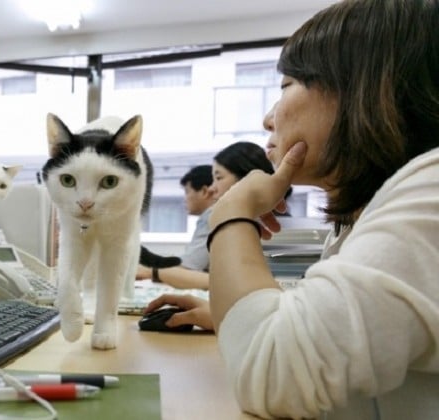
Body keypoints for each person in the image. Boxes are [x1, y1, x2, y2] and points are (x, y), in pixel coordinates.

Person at [147, 0, 439, 418]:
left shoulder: (433, 190)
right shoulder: (363, 220)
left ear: (362, 86)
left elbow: (270, 376)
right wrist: (233, 316)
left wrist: (233, 213)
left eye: (285, 86)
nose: (269, 119)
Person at [139, 141, 274, 289]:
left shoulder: (223, 217)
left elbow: (193, 270)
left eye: (219, 178)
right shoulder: (259, 217)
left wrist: (151, 272)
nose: (212, 188)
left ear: (247, 179)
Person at [136, 164, 212, 288]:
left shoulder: (211, 216)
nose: (185, 199)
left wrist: (149, 271)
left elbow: (188, 268)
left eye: (187, 192)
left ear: (204, 191)